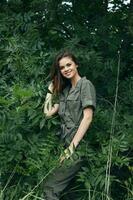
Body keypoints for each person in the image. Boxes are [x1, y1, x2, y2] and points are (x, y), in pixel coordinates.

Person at [43, 51, 96, 200]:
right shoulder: (65, 91)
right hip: (64, 146)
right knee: (69, 194)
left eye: (69, 64)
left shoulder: (85, 85)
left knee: (50, 188)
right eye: (62, 67)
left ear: (76, 64)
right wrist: (51, 88)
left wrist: (71, 149)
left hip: (77, 148)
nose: (66, 69)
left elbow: (88, 118)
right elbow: (47, 113)